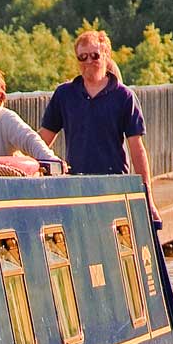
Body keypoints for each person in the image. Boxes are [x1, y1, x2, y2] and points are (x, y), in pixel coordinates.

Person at [40, 29, 160, 220]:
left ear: (106, 55)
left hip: (113, 187)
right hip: (76, 186)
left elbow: (137, 150)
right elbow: (43, 140)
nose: (88, 62)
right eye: (82, 57)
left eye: (94, 56)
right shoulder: (64, 95)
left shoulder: (124, 97)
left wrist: (148, 199)